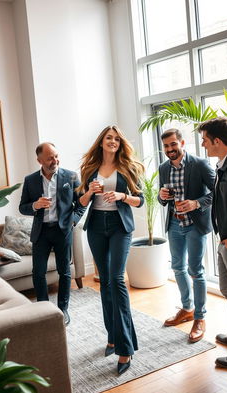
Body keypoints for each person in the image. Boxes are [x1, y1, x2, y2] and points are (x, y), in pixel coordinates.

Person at [78, 125, 144, 375]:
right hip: (96, 226)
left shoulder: (128, 167)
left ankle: (125, 347)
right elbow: (80, 202)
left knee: (116, 280)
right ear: (101, 141)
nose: (113, 141)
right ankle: (112, 337)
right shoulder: (89, 169)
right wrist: (89, 193)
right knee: (104, 281)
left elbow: (140, 200)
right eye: (109, 138)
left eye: (117, 138)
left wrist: (121, 196)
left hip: (119, 226)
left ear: (120, 143)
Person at [158, 128, 215, 342]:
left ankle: (200, 318)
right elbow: (163, 198)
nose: (170, 149)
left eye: (173, 144)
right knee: (177, 267)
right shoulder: (164, 168)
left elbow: (216, 191)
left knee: (195, 270)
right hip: (174, 223)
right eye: (166, 146)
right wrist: (161, 196)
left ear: (182, 143)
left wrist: (196, 203)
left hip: (195, 224)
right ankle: (187, 308)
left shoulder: (199, 164)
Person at [19, 142, 85, 325]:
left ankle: (63, 309)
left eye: (56, 156)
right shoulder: (30, 180)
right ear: (39, 160)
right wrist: (35, 205)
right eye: (49, 158)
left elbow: (82, 203)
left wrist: (73, 221)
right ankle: (44, 309)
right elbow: (22, 207)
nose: (54, 160)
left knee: (64, 272)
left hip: (63, 230)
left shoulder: (71, 177)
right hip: (41, 232)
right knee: (38, 272)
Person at [199, 117, 227, 368]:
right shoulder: (222, 164)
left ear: (217, 141)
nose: (203, 145)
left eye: (205, 140)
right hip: (224, 241)